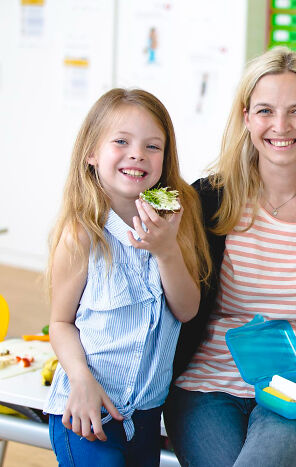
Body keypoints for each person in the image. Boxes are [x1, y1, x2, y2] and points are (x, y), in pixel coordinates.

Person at [163, 46, 296, 467]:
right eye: (265, 110)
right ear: (246, 117)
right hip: (206, 388)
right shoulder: (208, 199)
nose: (280, 126)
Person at [44, 88, 211, 466]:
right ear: (92, 152)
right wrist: (81, 380)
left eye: (153, 146)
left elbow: (187, 310)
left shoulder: (175, 224)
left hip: (145, 416)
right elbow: (59, 323)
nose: (137, 153)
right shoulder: (82, 234)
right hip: (87, 411)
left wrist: (166, 250)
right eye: (121, 141)